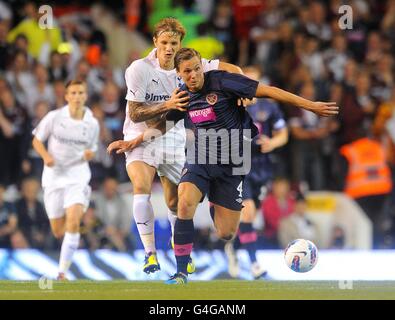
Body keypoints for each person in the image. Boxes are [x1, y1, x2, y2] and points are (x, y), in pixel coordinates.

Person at [112, 48, 338, 284]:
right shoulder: (182, 97)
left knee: (226, 232)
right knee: (185, 199)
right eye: (187, 71)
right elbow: (162, 126)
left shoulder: (223, 81)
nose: (193, 75)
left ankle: (214, 200)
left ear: (202, 66)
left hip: (233, 162)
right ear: (179, 74)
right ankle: (180, 272)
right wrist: (134, 141)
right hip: (201, 157)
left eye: (197, 69)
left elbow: (269, 91)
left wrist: (310, 105)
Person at [107, 17, 243, 274]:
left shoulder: (190, 65)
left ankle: (179, 250)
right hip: (140, 135)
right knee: (141, 185)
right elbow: (135, 113)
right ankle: (150, 254)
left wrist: (242, 95)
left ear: (181, 43)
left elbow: (233, 70)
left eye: (174, 43)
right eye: (165, 42)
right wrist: (167, 105)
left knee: (174, 202)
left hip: (172, 136)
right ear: (155, 42)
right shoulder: (139, 69)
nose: (169, 48)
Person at [224, 65, 289, 279]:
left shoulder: (269, 107)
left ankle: (233, 247)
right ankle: (254, 265)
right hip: (239, 164)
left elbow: (283, 134)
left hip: (263, 166)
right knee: (248, 210)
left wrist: (273, 143)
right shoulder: (231, 104)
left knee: (248, 217)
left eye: (253, 82)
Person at [32, 80, 99, 280]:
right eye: (74, 93)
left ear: (85, 96)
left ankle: (62, 273)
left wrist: (89, 154)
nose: (77, 96)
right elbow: (36, 140)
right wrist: (46, 156)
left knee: (73, 220)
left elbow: (93, 148)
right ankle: (77, 224)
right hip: (53, 177)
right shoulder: (54, 117)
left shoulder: (92, 123)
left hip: (77, 176)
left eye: (81, 93)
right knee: (58, 230)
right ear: (67, 96)